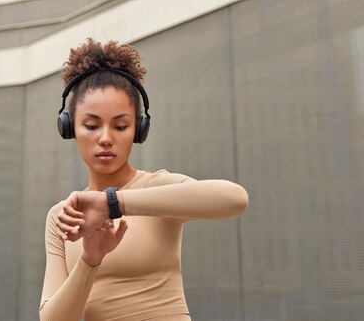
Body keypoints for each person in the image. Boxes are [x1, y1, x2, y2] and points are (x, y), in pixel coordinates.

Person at [39, 39, 249, 321]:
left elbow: (235, 200)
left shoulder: (155, 189)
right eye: (91, 125)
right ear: (69, 127)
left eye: (120, 125)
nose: (105, 138)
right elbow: (53, 319)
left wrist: (114, 203)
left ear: (139, 129)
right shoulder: (62, 217)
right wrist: (90, 259)